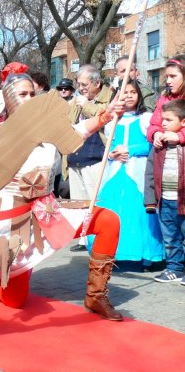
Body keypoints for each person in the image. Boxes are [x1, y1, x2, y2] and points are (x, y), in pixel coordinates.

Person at [0, 71, 125, 321]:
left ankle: (95, 296)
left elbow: (78, 130)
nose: (30, 98)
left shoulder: (49, 128)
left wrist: (108, 113)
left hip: (47, 212)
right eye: (22, 94)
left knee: (108, 220)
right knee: (15, 300)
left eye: (33, 93)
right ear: (9, 98)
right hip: (12, 224)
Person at [97, 79, 163, 268]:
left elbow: (151, 146)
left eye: (133, 92)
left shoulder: (146, 119)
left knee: (139, 212)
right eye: (124, 92)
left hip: (138, 170)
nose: (128, 96)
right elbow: (108, 146)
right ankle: (114, 253)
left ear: (139, 95)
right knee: (114, 212)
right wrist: (111, 154)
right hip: (115, 172)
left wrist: (131, 149)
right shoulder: (111, 122)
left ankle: (145, 254)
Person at [65, 64, 113, 252]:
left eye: (85, 84)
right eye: (79, 84)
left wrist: (87, 106)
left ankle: (98, 237)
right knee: (79, 202)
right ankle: (84, 239)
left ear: (97, 83)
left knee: (96, 201)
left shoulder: (108, 97)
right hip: (76, 156)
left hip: (96, 157)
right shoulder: (77, 100)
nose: (81, 88)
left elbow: (106, 116)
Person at [144, 55, 185, 211]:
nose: (168, 81)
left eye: (173, 76)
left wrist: (180, 136)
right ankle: (151, 201)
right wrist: (155, 134)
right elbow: (154, 123)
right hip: (165, 159)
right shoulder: (164, 99)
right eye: (167, 76)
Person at [151, 99, 185, 284]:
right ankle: (174, 268)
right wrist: (151, 198)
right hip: (165, 200)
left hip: (183, 200)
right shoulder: (160, 145)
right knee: (171, 238)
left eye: (168, 120)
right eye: (162, 119)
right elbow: (151, 171)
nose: (163, 123)